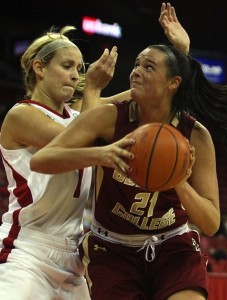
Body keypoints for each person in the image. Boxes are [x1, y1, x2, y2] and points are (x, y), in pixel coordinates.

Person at [30, 3, 227, 300]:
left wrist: (177, 181)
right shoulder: (109, 118)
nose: (135, 71)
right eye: (136, 64)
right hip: (113, 249)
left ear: (174, 83)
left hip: (173, 247)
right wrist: (103, 154)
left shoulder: (195, 135)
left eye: (148, 67)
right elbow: (41, 159)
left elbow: (211, 223)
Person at [0, 24, 132, 300]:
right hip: (27, 251)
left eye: (80, 69)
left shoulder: (79, 114)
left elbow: (140, 99)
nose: (75, 75)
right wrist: (94, 89)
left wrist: (175, 59)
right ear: (40, 68)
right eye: (67, 66)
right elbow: (76, 143)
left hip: (72, 257)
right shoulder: (22, 115)